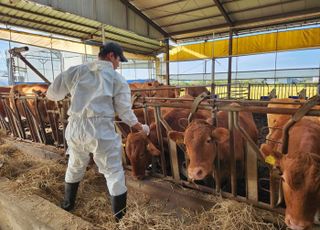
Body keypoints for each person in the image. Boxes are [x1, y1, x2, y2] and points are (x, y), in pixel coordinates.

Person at [46, 41, 149, 222]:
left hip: (76, 126)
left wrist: (75, 91)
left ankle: (68, 205)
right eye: (119, 60)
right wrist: (141, 128)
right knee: (113, 172)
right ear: (111, 56)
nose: (118, 65)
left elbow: (52, 94)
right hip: (100, 129)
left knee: (75, 164)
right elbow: (125, 112)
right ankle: (121, 220)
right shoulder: (117, 79)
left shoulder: (75, 71)